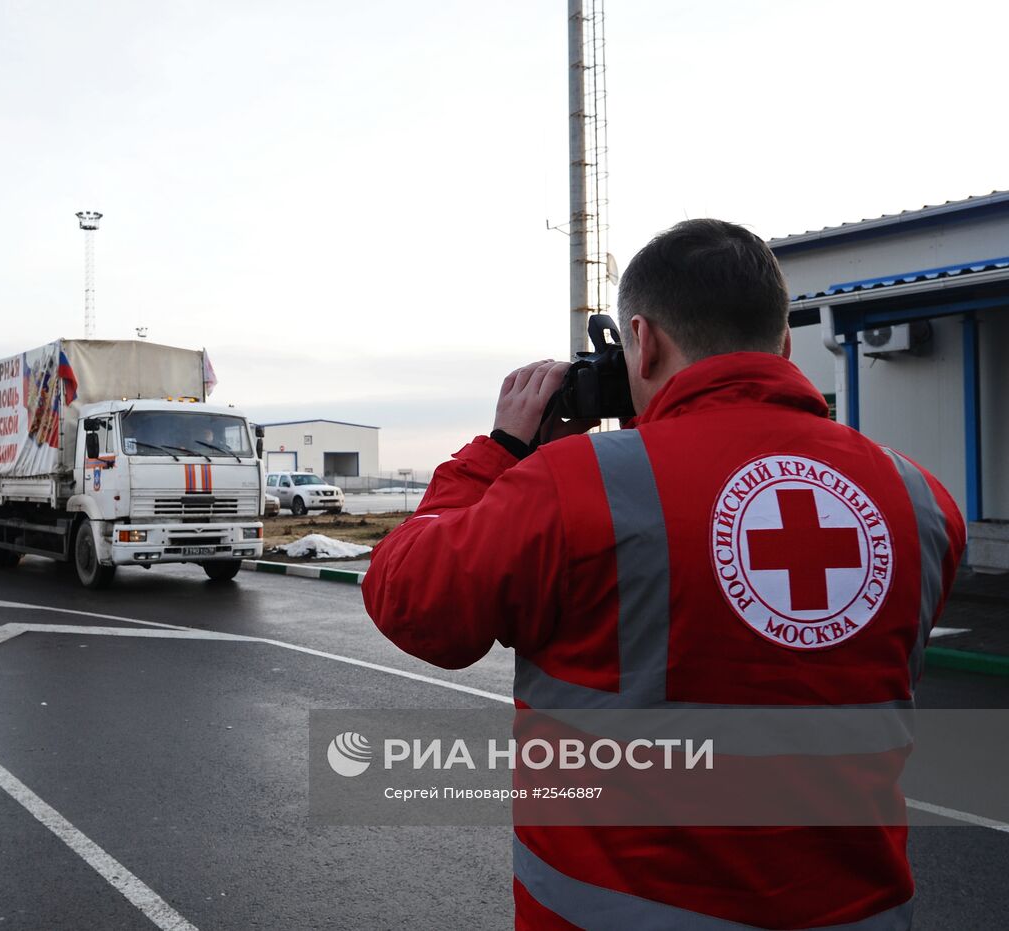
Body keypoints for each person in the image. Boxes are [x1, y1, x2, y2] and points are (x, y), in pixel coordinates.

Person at [363, 219, 966, 930]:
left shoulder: (576, 486)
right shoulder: (919, 499)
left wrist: (499, 453)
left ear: (641, 342)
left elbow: (416, 603)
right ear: (784, 343)